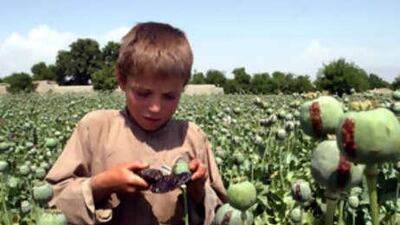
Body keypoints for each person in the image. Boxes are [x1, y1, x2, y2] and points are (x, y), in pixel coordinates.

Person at [45, 22, 227, 225]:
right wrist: (102, 184)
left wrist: (198, 191)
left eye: (169, 96)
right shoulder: (94, 128)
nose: (156, 107)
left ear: (183, 87)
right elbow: (51, 202)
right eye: (143, 93)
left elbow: (223, 212)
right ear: (122, 80)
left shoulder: (192, 136)